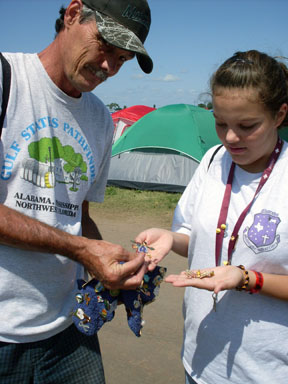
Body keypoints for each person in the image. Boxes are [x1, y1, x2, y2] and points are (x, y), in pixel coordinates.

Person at [0, 0, 153, 383]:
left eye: (123, 58)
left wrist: (112, 265)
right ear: (72, 14)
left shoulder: (100, 119)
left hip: (67, 330)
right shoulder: (6, 79)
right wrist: (83, 250)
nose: (109, 68)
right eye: (105, 46)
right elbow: (76, 240)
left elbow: (76, 215)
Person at [135, 50, 288, 384]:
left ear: (279, 115)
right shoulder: (213, 160)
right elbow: (196, 238)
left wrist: (247, 279)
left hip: (267, 371)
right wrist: (171, 237)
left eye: (247, 126)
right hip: (201, 362)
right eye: (220, 123)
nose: (230, 138)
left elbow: (240, 271)